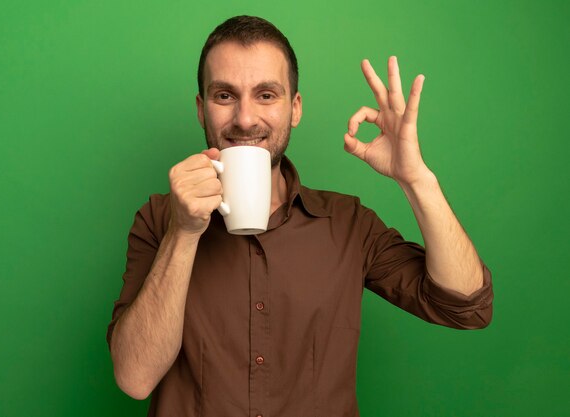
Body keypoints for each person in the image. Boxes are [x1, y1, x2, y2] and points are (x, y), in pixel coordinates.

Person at [107, 15, 493, 416]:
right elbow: (135, 378)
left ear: (294, 108)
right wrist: (183, 233)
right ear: (202, 110)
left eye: (266, 95)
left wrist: (417, 179)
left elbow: (466, 307)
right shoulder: (159, 220)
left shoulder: (349, 224)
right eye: (225, 96)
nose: (244, 118)